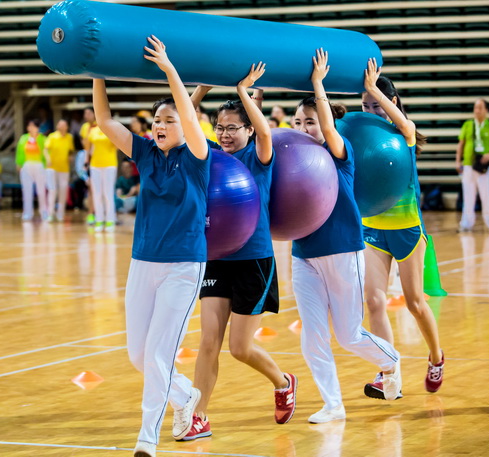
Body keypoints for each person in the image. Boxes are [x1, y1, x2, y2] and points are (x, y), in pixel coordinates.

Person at [93, 36, 210, 457]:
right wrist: (97, 72)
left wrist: (168, 68)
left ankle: (148, 438)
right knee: (138, 356)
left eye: (168, 119)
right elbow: (105, 120)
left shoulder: (197, 155)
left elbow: (188, 115)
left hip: (184, 266)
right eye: (156, 119)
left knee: (158, 354)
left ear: (185, 124)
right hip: (143, 262)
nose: (159, 125)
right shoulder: (145, 153)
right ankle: (185, 395)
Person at [182, 67, 296, 441]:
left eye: (233, 128)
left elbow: (266, 132)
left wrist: (244, 91)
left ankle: (283, 382)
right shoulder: (211, 155)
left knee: (240, 348)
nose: (225, 134)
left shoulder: (259, 156)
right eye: (220, 127)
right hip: (217, 258)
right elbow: (183, 123)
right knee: (208, 342)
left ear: (247, 129)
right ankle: (198, 416)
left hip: (254, 260)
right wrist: (201, 88)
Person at [292, 50, 402, 423]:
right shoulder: (292, 159)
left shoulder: (339, 151)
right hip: (303, 254)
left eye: (309, 121)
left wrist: (318, 83)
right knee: (312, 336)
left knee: (349, 335)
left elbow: (327, 129)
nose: (303, 128)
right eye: (297, 121)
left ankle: (391, 360)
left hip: (342, 250)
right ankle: (333, 404)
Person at [361, 61, 444, 396]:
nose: (371, 112)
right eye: (365, 106)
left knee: (415, 303)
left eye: (377, 105)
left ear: (392, 102)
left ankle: (436, 357)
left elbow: (406, 124)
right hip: (372, 229)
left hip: (407, 230)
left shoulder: (404, 133)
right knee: (374, 301)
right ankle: (388, 373)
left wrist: (373, 88)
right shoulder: (361, 137)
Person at [455, 99, 489, 233]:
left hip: (484, 166)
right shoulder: (467, 125)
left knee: (488, 196)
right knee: (468, 196)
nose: (477, 110)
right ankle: (466, 224)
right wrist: (458, 161)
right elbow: (461, 144)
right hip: (469, 164)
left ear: (486, 110)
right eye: (475, 107)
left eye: (480, 107)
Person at [86, 107, 119, 232]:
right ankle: (99, 220)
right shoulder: (93, 130)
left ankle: (110, 220)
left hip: (110, 164)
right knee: (97, 193)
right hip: (95, 165)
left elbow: (118, 145)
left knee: (108, 193)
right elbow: (88, 149)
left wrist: (112, 130)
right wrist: (86, 163)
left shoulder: (112, 130)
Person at [16, 119, 48, 222]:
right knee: (26, 190)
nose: (31, 128)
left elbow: (46, 153)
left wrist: (46, 166)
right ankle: (27, 212)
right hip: (27, 166)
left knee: (41, 190)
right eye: (29, 126)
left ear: (37, 128)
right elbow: (19, 152)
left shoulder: (43, 139)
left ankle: (44, 212)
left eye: (33, 126)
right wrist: (19, 164)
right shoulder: (23, 138)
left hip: (39, 166)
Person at [44, 119, 75, 222]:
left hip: (64, 168)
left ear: (67, 127)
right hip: (52, 168)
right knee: (52, 190)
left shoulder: (69, 137)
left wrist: (70, 157)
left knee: (63, 191)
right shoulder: (52, 136)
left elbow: (71, 150)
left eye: (64, 125)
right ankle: (50, 213)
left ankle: (60, 213)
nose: (61, 127)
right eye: (60, 125)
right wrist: (48, 159)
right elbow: (45, 149)